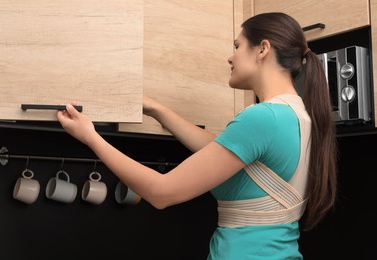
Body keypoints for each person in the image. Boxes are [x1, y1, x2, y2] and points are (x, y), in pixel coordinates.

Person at [57, 12, 337, 259]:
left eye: (237, 46)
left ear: (263, 49)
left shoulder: (262, 117)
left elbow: (161, 193)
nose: (231, 56)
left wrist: (91, 137)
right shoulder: (299, 115)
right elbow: (221, 151)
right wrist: (156, 108)